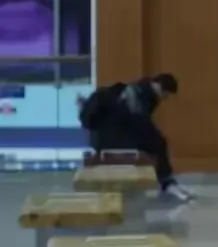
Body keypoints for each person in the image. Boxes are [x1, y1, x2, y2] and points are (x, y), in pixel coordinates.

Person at [79, 73, 194, 201]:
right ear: (161, 88)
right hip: (115, 138)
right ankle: (167, 183)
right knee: (159, 143)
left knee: (156, 142)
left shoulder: (134, 89)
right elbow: (142, 123)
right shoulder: (143, 94)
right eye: (166, 95)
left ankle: (166, 181)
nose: (164, 99)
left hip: (99, 139)